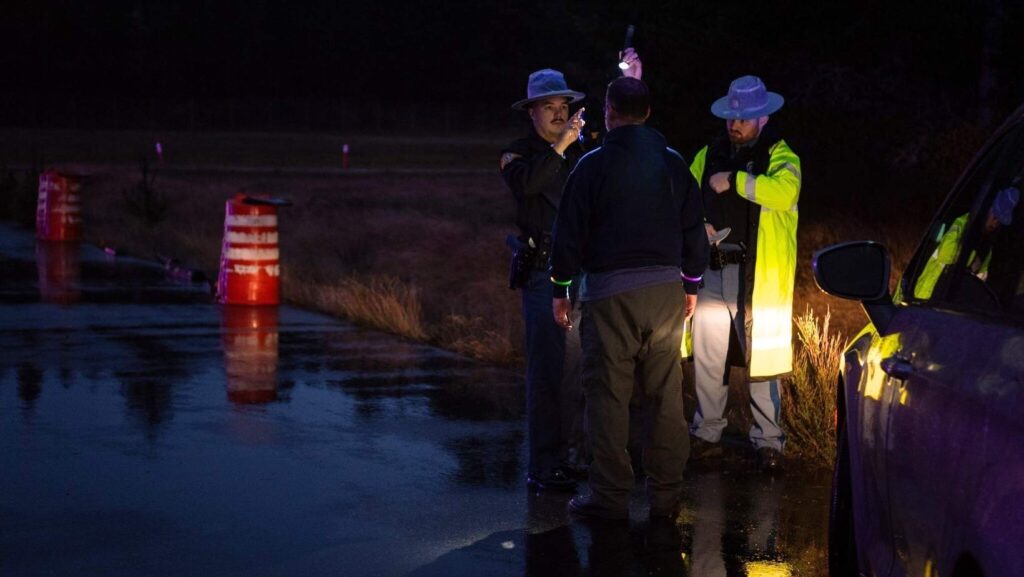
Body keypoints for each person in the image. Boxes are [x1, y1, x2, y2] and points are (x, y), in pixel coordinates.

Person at [549, 77, 709, 519]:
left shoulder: (592, 167)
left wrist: (562, 289)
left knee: (607, 395)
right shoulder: (674, 164)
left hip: (609, 295)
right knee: (665, 394)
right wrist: (691, 285)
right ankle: (666, 495)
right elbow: (694, 230)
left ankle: (610, 495)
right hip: (665, 294)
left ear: (608, 112)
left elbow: (569, 234)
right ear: (649, 113)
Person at [501, 51, 642, 492]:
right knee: (547, 370)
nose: (560, 114)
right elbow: (528, 186)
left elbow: (618, 155)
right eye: (550, 107)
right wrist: (561, 147)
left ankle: (574, 456)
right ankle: (544, 464)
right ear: (532, 112)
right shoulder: (518, 154)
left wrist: (632, 82)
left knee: (580, 370)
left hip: (582, 272)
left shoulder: (583, 150)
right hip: (544, 273)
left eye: (565, 107)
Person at [687, 75, 801, 473]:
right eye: (732, 118)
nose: (735, 125)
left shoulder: (782, 155)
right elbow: (686, 193)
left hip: (759, 280)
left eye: (745, 118)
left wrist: (734, 181)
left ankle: (769, 442)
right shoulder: (710, 153)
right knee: (708, 357)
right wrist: (698, 222)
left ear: (764, 118)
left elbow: (784, 193)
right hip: (713, 272)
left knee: (762, 362)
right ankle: (706, 434)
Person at [913, 185, 1020, 299]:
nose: (995, 223)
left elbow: (979, 284)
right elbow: (945, 254)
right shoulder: (963, 223)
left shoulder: (986, 249)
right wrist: (971, 258)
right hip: (926, 294)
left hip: (949, 304)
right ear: (987, 209)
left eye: (1000, 221)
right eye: (995, 216)